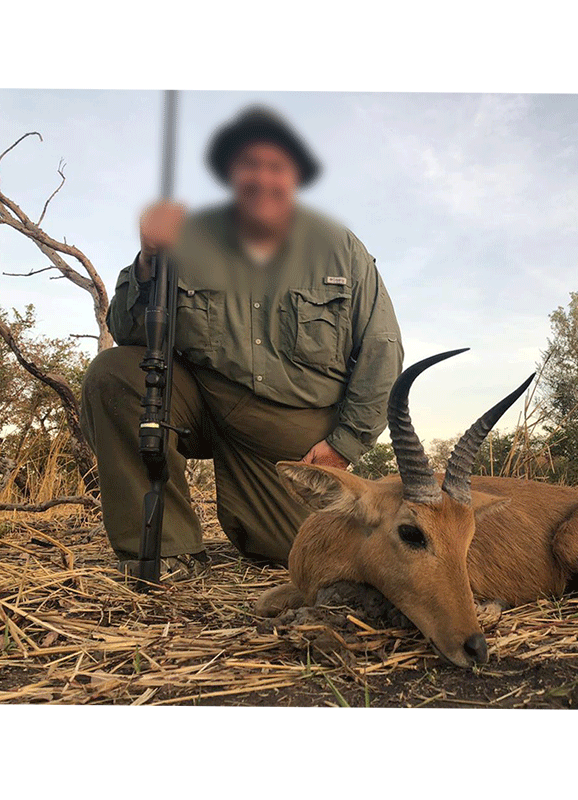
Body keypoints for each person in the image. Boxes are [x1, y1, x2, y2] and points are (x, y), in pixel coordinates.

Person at [80, 105, 404, 580]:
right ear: (231, 175)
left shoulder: (341, 248)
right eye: (248, 165)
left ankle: (268, 520)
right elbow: (128, 331)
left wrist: (343, 444)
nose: (262, 178)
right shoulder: (185, 238)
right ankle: (165, 549)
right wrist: (148, 260)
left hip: (293, 435)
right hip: (203, 403)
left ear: (295, 177)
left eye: (276, 167)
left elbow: (383, 351)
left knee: (302, 555)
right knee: (113, 374)